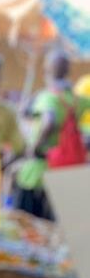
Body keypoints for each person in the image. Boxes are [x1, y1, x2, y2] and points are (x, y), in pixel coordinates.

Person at [15, 51, 90, 219]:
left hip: (35, 172)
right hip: (62, 173)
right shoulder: (77, 100)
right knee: (47, 229)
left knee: (24, 223)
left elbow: (49, 121)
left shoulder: (48, 96)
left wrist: (34, 147)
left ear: (47, 69)